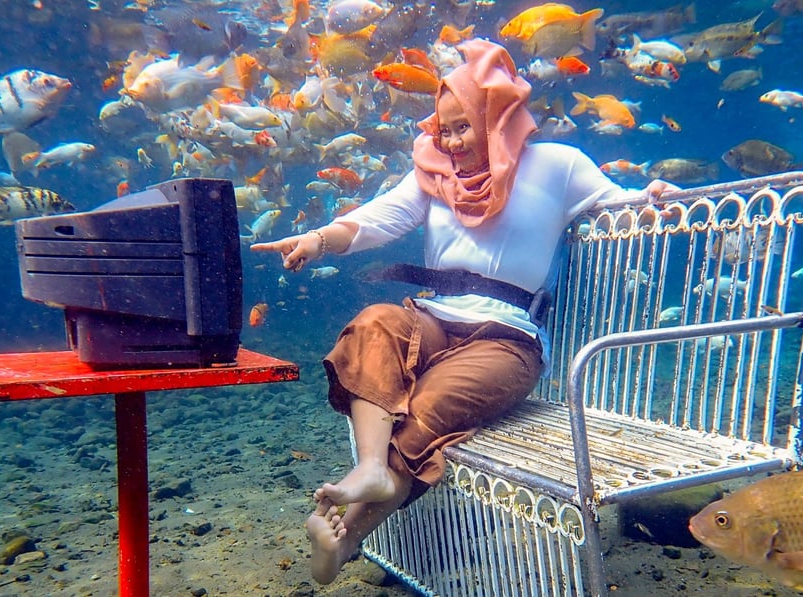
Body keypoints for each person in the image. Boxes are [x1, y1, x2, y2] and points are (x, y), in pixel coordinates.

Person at [251, 38, 673, 585]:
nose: (448, 141)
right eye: (441, 128)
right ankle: (372, 467)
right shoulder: (433, 172)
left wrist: (651, 196)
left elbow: (619, 201)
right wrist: (318, 238)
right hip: (434, 319)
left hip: (506, 340)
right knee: (375, 321)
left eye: (461, 126)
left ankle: (346, 537)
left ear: (495, 117)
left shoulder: (558, 166)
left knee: (428, 410)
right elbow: (376, 219)